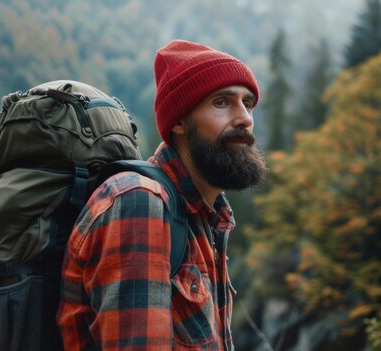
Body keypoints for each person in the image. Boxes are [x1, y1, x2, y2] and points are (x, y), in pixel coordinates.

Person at [57, 39, 267, 350]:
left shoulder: (205, 216)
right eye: (222, 102)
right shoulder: (140, 203)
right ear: (179, 122)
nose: (244, 118)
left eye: (247, 103)